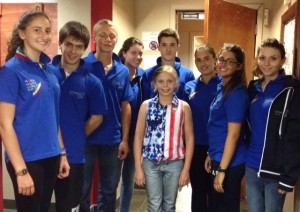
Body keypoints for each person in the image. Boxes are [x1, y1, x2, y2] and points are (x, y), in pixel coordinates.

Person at [0, 11, 70, 212]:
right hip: (27, 159)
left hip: (51, 155)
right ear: (22, 33)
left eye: (47, 31)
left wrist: (62, 153)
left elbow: (53, 118)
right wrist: (21, 171)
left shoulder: (50, 70)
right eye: (37, 30)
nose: (44, 36)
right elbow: (5, 126)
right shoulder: (10, 72)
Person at [49, 21, 108, 212]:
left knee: (68, 207)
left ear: (84, 49)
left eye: (79, 46)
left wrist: (76, 134)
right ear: (60, 44)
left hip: (74, 156)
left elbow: (97, 117)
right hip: (44, 153)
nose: (73, 51)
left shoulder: (92, 82)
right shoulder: (46, 73)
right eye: (69, 45)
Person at [80, 19, 133, 212]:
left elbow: (126, 106)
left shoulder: (123, 71)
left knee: (109, 191)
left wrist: (125, 139)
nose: (107, 39)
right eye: (102, 35)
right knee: (82, 190)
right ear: (94, 38)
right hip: (85, 139)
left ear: (117, 40)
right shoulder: (82, 66)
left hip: (113, 140)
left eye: (112, 36)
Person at [246, 38, 300, 212]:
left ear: (282, 61)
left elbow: (295, 136)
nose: (266, 63)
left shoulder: (291, 90)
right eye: (262, 58)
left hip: (276, 170)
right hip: (252, 165)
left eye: (273, 58)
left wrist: (289, 176)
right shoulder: (253, 88)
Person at [134, 65, 194, 212]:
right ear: (155, 83)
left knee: (169, 205)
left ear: (176, 83)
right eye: (161, 81)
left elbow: (190, 138)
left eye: (169, 81)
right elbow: (138, 137)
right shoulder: (146, 106)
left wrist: (186, 169)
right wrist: (138, 168)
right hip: (150, 164)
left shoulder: (184, 107)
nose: (165, 85)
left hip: (174, 164)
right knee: (154, 205)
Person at [204, 44, 249, 212]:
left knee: (225, 207)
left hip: (230, 162)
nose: (223, 64)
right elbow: (217, 126)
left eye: (230, 61)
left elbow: (233, 135)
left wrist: (222, 169)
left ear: (239, 66)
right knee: (216, 205)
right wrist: (211, 153)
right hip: (219, 155)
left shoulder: (236, 94)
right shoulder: (221, 87)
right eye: (221, 59)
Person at [183, 44, 219, 212]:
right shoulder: (189, 87)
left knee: (215, 193)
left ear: (215, 60)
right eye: (198, 60)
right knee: (198, 191)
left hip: (218, 147)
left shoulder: (224, 85)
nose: (202, 63)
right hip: (195, 147)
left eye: (207, 59)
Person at [118, 37, 144, 212]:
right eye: (134, 52)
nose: (138, 56)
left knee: (128, 179)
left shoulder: (144, 77)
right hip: (114, 135)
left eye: (140, 53)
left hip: (135, 135)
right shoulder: (116, 74)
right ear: (124, 53)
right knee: (110, 180)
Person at [141, 28, 195, 100]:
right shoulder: (148, 74)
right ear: (159, 47)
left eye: (172, 45)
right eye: (164, 45)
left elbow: (191, 102)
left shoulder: (188, 74)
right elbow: (145, 102)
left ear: (177, 47)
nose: (168, 49)